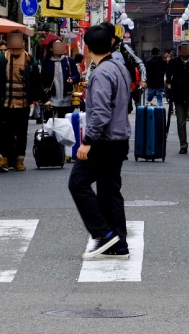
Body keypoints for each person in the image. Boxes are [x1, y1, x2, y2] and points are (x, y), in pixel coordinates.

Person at [69, 21, 133, 259]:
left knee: (77, 183)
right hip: (119, 138)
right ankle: (119, 244)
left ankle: (104, 234)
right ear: (112, 43)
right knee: (109, 191)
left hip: (103, 141)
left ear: (87, 48)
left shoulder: (101, 73)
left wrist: (87, 141)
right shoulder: (120, 68)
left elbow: (101, 113)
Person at [0, 30, 42, 172]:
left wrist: (43, 100)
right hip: (5, 102)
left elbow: (36, 82)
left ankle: (19, 159)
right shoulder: (1, 58)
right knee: (4, 132)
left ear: (23, 42)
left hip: (23, 103)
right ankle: (3, 158)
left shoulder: (30, 60)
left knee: (22, 132)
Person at [41, 37, 80, 116]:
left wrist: (72, 79)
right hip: (51, 98)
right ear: (51, 48)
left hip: (67, 99)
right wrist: (43, 98)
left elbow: (77, 75)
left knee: (64, 123)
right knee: (52, 123)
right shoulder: (46, 62)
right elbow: (42, 80)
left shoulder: (69, 60)